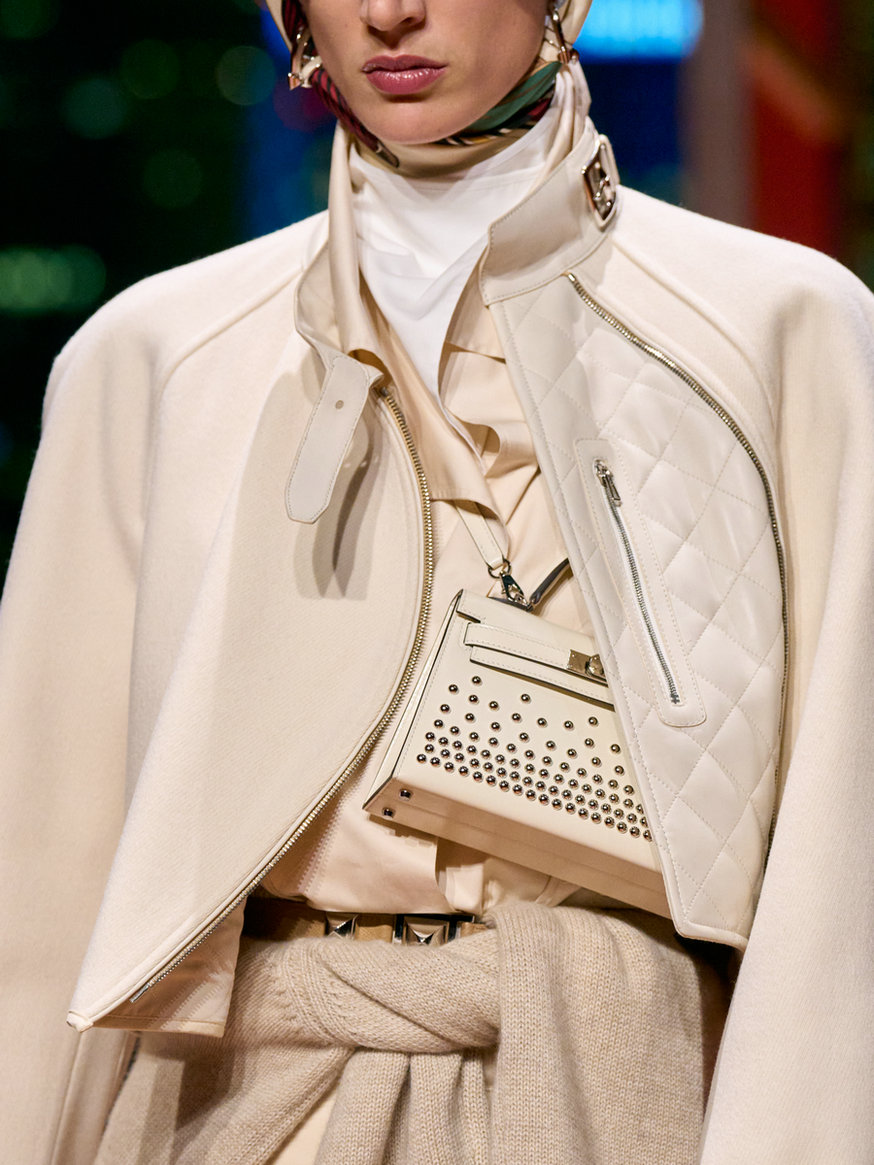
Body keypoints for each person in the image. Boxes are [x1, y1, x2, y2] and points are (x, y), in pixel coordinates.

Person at [1, 0, 873, 1161]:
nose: (389, 12)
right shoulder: (158, 355)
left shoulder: (779, 327)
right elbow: (48, 867)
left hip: (621, 1093)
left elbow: (840, 850)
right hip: (236, 1105)